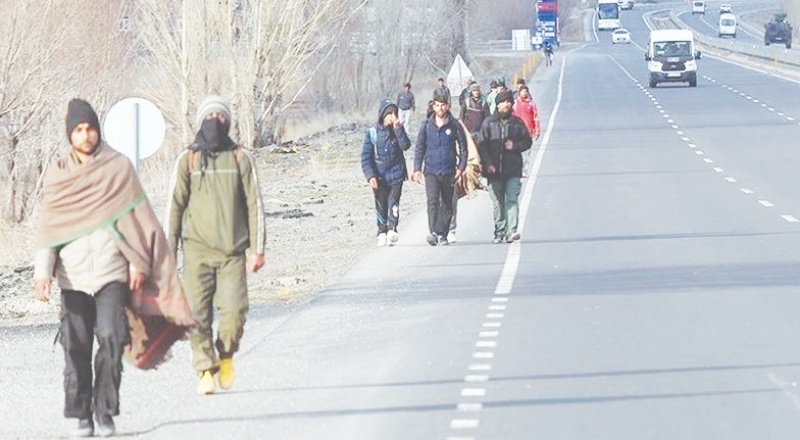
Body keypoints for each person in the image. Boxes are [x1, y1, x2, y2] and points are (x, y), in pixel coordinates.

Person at [34, 99, 194, 438]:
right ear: (70, 134)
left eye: (90, 127)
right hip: (72, 278)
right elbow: (48, 228)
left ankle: (105, 411)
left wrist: (137, 262)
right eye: (78, 129)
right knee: (75, 345)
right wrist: (42, 272)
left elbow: (138, 221)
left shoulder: (118, 168)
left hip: (111, 274)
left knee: (111, 336)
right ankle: (81, 414)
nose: (86, 134)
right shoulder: (59, 175)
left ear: (98, 130)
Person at [165, 94, 267, 395]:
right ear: (200, 123)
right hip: (196, 251)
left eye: (220, 118)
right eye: (209, 118)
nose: (215, 122)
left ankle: (225, 356)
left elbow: (254, 204)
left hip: (233, 253)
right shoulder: (188, 160)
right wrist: (168, 256)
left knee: (234, 313)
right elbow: (173, 208)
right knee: (197, 315)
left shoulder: (240, 158)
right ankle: (204, 370)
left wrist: (257, 249)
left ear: (228, 123)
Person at [412, 89, 468, 246]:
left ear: (448, 106)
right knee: (432, 201)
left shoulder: (454, 125)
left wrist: (461, 167)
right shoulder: (426, 125)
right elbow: (420, 148)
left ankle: (443, 233)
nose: (440, 109)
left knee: (447, 203)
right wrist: (417, 168)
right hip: (431, 170)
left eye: (443, 105)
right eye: (437, 105)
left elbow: (463, 147)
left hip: (449, 171)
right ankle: (433, 232)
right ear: (433, 106)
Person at [478, 90, 533, 244]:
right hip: (493, 170)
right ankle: (499, 230)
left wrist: (514, 146)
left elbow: (527, 142)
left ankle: (512, 230)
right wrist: (487, 163)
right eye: (503, 102)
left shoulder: (517, 123)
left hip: (513, 169)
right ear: (497, 104)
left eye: (509, 101)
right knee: (497, 201)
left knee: (512, 199)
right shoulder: (489, 123)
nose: (506, 104)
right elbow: (482, 145)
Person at [361, 100, 412, 246]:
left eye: (394, 113)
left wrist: (399, 130)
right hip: (379, 176)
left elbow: (405, 145)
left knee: (394, 202)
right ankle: (381, 231)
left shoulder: (397, 131)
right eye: (389, 113)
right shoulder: (373, 134)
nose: (392, 116)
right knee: (381, 205)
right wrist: (370, 176)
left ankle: (392, 229)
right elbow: (366, 157)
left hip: (397, 174)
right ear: (383, 115)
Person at [512, 84, 542, 177]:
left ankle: (524, 169)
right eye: (522, 91)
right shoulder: (515, 104)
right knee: (517, 151)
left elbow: (535, 118)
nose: (524, 93)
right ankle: (517, 168)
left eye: (526, 91)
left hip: (528, 132)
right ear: (519, 92)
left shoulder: (531, 104)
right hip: (516, 131)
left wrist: (537, 131)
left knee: (526, 152)